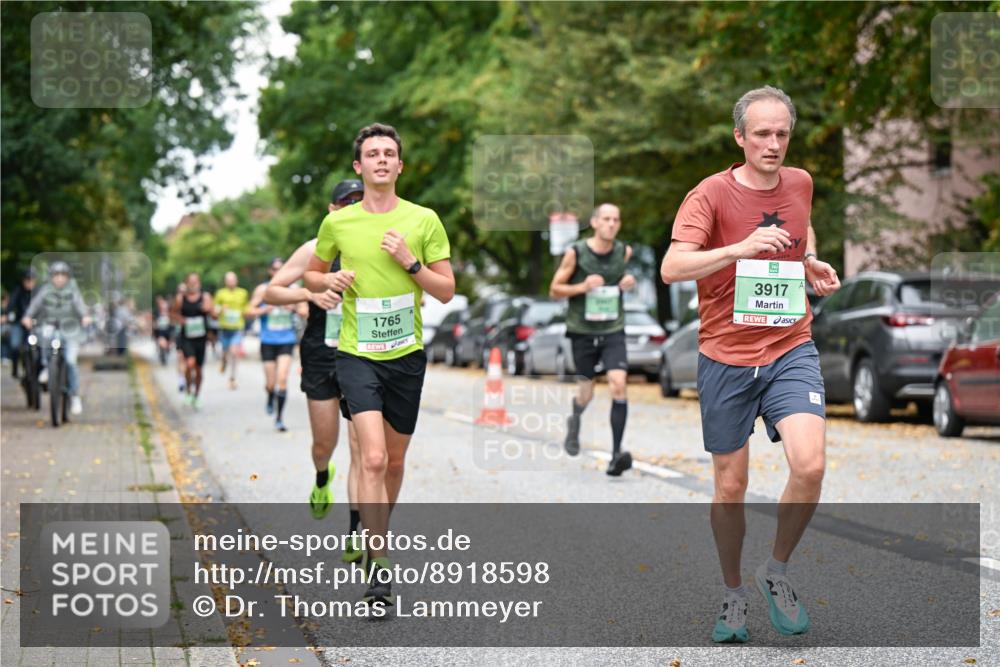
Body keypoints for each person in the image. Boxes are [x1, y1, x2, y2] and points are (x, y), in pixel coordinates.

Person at [660, 85, 841, 643]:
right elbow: (672, 267)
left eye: (782, 133)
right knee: (730, 486)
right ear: (740, 137)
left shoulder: (801, 182)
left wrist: (808, 260)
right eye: (762, 133)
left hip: (790, 345)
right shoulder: (708, 195)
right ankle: (733, 593)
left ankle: (776, 571)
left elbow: (801, 225)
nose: (774, 143)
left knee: (809, 465)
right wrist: (738, 249)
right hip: (726, 356)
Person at [304, 123, 454, 606]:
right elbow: (312, 270)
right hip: (355, 355)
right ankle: (380, 562)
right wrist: (327, 285)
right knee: (369, 457)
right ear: (359, 166)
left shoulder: (424, 219)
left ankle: (377, 533)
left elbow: (446, 290)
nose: (382, 160)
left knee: (392, 462)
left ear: (399, 165)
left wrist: (411, 262)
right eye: (373, 154)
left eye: (390, 153)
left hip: (406, 357)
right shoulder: (338, 224)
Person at [265, 178, 365, 564]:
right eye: (346, 202)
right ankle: (323, 476)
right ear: (332, 210)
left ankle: (357, 530)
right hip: (322, 354)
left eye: (359, 201)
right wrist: (308, 293)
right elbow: (272, 291)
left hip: (363, 356)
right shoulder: (313, 249)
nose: (353, 207)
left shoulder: (377, 247)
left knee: (362, 449)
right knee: (325, 444)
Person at [550, 203, 638, 476]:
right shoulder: (576, 252)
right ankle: (575, 417)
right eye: (606, 219)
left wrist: (628, 281)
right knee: (586, 392)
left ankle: (616, 454)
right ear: (595, 222)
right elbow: (554, 290)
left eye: (616, 219)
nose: (611, 224)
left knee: (618, 384)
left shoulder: (624, 251)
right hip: (582, 331)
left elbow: (620, 277)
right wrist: (582, 286)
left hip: (613, 327)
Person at [21, 261, 91, 414]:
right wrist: (27, 317)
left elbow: (80, 306)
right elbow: (34, 306)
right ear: (52, 277)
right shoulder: (45, 291)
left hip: (70, 329)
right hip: (51, 326)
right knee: (43, 339)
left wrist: (85, 316)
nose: (59, 278)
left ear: (67, 277)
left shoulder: (73, 291)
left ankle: (74, 396)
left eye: (62, 275)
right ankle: (47, 366)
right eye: (56, 275)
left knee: (71, 361)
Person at [249, 259, 306, 432]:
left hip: (286, 341)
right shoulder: (263, 289)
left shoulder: (294, 290)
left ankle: (279, 418)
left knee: (282, 379)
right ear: (270, 271)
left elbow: (305, 312)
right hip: (267, 341)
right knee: (270, 383)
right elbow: (249, 311)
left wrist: (292, 309)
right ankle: (269, 395)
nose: (277, 272)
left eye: (281, 269)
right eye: (274, 269)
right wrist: (263, 310)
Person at [173, 272, 214, 409]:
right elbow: (172, 314)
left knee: (199, 369)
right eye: (190, 282)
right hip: (187, 337)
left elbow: (214, 315)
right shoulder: (181, 298)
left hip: (201, 338)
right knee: (190, 364)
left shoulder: (205, 297)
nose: (193, 284)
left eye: (195, 282)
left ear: (199, 283)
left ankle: (197, 394)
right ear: (186, 283)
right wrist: (181, 320)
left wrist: (209, 310)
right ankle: (189, 391)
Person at [214, 272, 250, 390]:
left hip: (237, 327)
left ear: (237, 280)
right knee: (225, 352)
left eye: (233, 279)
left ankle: (232, 378)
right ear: (225, 281)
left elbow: (247, 308)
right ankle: (224, 361)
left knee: (234, 352)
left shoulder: (243, 293)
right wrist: (220, 309)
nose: (231, 282)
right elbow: (215, 309)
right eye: (228, 280)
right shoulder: (220, 293)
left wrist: (245, 312)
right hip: (224, 327)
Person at [6, 270, 35, 378]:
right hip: (19, 323)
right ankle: (14, 367)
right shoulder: (18, 291)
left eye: (31, 280)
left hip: (34, 324)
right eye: (27, 280)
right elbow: (11, 304)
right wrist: (7, 314)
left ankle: (36, 369)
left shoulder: (38, 293)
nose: (29, 283)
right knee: (15, 345)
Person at [174, 283, 188, 392]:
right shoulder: (176, 303)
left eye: (184, 291)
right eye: (180, 291)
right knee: (180, 357)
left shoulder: (192, 301)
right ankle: (181, 379)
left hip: (192, 335)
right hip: (180, 334)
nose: (182, 293)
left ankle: (187, 377)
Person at [153, 295, 174, 365]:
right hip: (160, 331)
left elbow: (173, 322)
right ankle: (162, 354)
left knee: (169, 344)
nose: (163, 307)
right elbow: (153, 322)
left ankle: (167, 349)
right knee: (161, 342)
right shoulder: (156, 313)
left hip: (168, 331)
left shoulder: (170, 313)